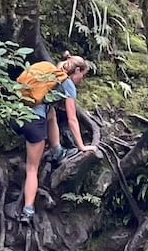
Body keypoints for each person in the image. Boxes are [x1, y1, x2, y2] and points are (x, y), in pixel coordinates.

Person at [16, 53, 97, 222]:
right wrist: (82, 147)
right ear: (77, 71)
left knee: (51, 112)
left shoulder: (49, 75)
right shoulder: (67, 85)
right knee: (32, 168)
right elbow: (72, 119)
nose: (82, 79)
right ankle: (28, 211)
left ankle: (57, 151)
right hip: (34, 123)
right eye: (83, 75)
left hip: (16, 115)